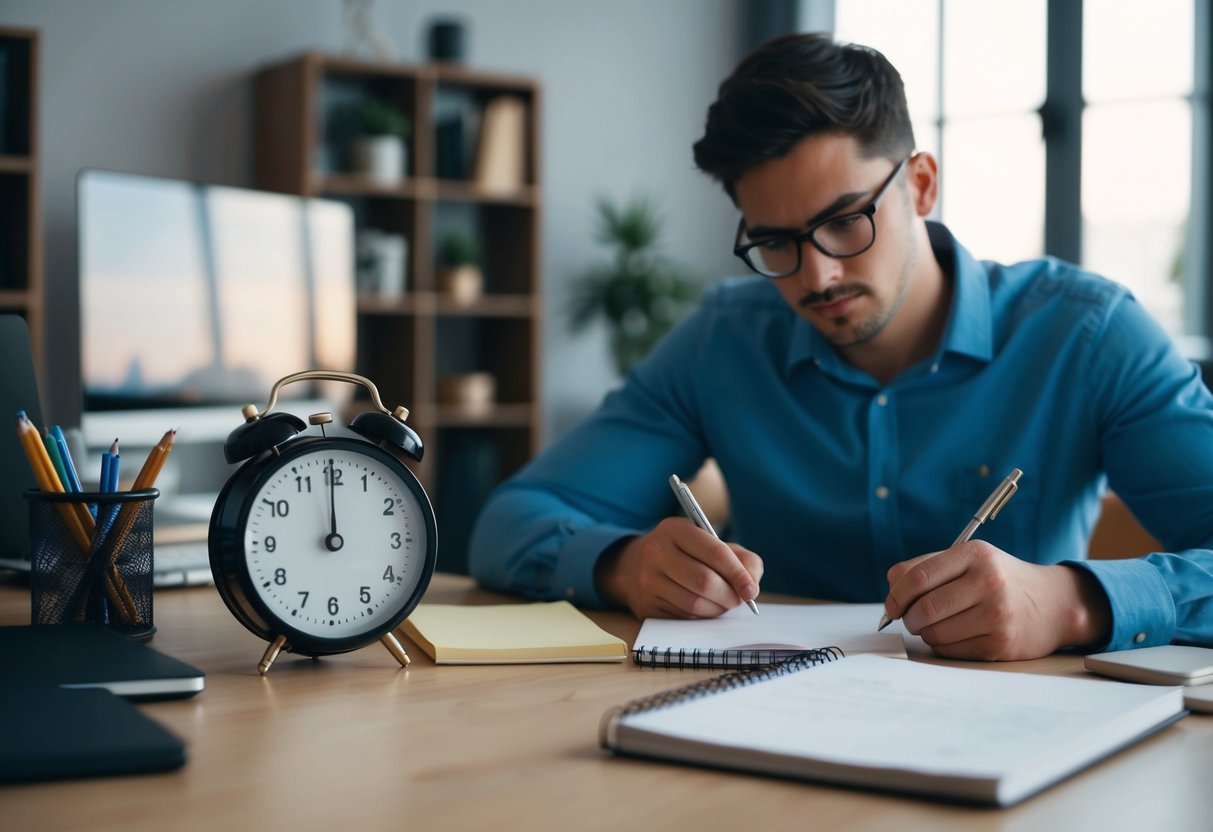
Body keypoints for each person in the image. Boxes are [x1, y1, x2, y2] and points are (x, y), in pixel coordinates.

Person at [468, 32, 1213, 661]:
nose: (817, 274)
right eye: (775, 241)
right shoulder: (721, 343)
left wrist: (1073, 603)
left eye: (846, 220)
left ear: (920, 185)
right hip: (764, 726)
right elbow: (512, 521)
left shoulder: (1085, 335)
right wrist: (625, 567)